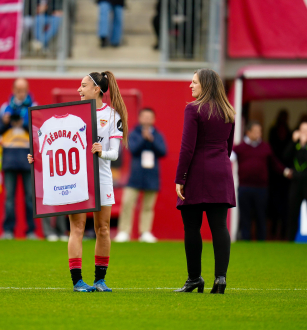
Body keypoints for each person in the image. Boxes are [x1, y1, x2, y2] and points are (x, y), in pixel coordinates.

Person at [28, 71, 128, 292]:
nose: (78, 90)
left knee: (102, 228)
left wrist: (102, 152)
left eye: (83, 86)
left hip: (101, 178)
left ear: (97, 90)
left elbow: (115, 153)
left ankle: (100, 280)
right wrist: (36, 155)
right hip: (76, 179)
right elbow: (56, 147)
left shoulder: (113, 116)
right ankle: (78, 282)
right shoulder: (73, 114)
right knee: (77, 228)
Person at [174, 68, 235, 294]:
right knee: (220, 226)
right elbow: (228, 147)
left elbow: (187, 147)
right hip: (222, 171)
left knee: (192, 227)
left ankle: (194, 279)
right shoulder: (229, 111)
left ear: (205, 85)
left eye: (194, 82)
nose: (191, 86)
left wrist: (180, 177)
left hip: (198, 172)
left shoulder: (193, 109)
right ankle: (220, 278)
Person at [0, 78, 38, 240]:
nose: (21, 92)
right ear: (13, 89)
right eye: (18, 89)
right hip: (9, 157)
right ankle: (8, 231)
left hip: (28, 157)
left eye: (23, 89)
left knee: (30, 197)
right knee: (9, 198)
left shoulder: (34, 106)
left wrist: (24, 123)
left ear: (27, 89)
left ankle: (31, 231)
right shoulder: (5, 108)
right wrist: (5, 122)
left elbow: (39, 131)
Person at [231, 121, 291, 241]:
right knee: (245, 216)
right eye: (256, 131)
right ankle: (245, 240)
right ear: (248, 132)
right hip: (244, 188)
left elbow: (274, 162)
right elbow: (227, 159)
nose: (259, 134)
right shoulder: (239, 148)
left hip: (261, 188)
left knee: (261, 216)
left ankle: (261, 241)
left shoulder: (265, 147)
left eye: (260, 131)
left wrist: (285, 171)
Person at [115, 108, 167, 243]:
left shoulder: (158, 134)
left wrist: (152, 140)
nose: (147, 119)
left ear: (153, 119)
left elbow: (163, 151)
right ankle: (124, 232)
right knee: (127, 203)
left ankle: (145, 232)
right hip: (135, 176)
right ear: (139, 118)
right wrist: (144, 139)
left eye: (149, 117)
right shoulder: (134, 133)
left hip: (152, 175)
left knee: (148, 206)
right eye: (144, 117)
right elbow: (133, 149)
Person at [268, 110, 292, 239]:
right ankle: (273, 231)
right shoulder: (273, 131)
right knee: (274, 204)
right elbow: (272, 154)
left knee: (285, 205)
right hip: (275, 175)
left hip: (286, 175)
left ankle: (283, 232)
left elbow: (288, 154)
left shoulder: (290, 132)